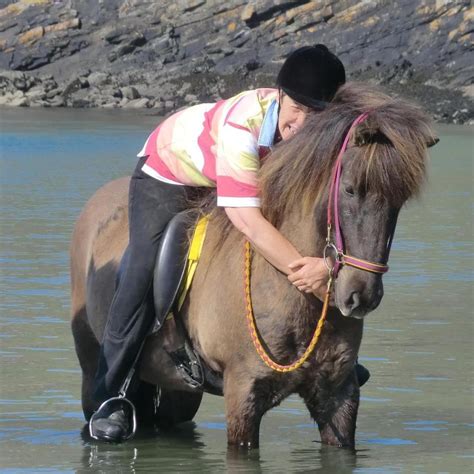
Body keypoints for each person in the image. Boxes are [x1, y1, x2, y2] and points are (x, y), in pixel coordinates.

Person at [90, 44, 367, 442]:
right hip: (175, 171)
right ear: (280, 96)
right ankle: (110, 393)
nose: (302, 125)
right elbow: (247, 221)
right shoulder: (244, 125)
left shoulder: (319, 136)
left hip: (240, 174)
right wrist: (303, 271)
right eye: (297, 111)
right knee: (143, 263)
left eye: (316, 116)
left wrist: (331, 265)